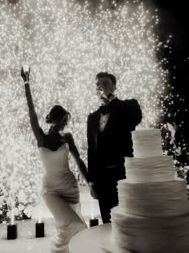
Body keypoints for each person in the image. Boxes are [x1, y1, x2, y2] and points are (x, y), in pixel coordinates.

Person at [21, 67, 88, 253]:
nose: (64, 124)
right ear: (54, 119)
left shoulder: (67, 137)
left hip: (71, 189)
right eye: (62, 121)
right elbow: (31, 112)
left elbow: (79, 161)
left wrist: (90, 181)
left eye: (65, 122)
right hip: (50, 190)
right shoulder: (40, 137)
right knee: (76, 226)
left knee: (70, 231)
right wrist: (27, 83)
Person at [87, 72, 142, 224]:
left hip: (124, 174)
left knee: (127, 219)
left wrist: (111, 100)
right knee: (107, 221)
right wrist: (92, 182)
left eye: (104, 83)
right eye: (97, 85)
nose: (100, 87)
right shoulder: (92, 118)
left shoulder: (128, 106)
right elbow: (91, 150)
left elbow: (135, 119)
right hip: (102, 179)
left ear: (114, 86)